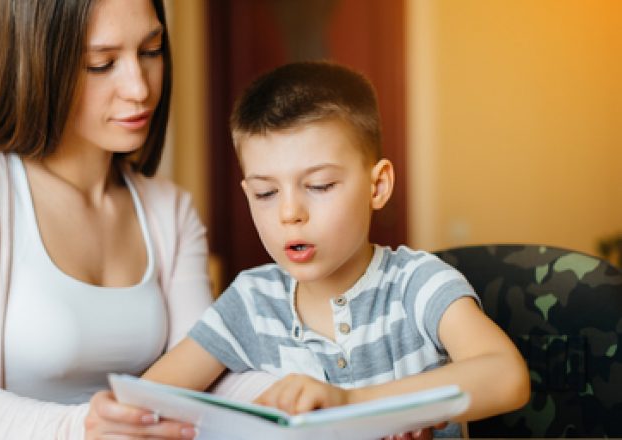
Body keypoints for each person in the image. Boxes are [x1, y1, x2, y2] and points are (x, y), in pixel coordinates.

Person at [0, 0, 275, 438]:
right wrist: (82, 429)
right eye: (102, 63)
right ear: (40, 61)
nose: (139, 88)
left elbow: (205, 371)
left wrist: (290, 394)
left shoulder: (168, 209)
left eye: (151, 51)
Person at [143, 61, 531, 438]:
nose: (289, 213)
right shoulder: (251, 301)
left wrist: (354, 403)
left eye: (320, 185)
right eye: (266, 193)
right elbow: (148, 402)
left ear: (376, 186)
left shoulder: (417, 283)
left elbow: (506, 376)